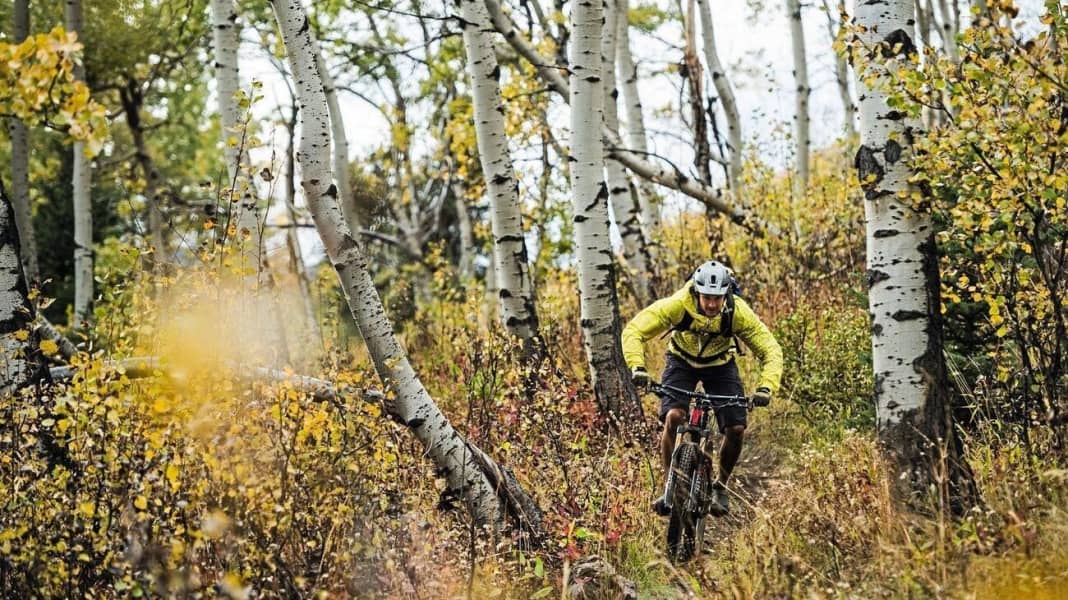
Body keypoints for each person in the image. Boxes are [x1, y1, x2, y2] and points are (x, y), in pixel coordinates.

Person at [621, 260, 783, 516]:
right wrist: (637, 367)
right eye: (707, 298)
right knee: (674, 416)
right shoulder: (678, 304)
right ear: (696, 293)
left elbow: (769, 349)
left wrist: (766, 387)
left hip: (721, 365)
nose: (711, 304)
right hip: (681, 361)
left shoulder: (737, 312)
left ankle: (720, 486)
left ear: (726, 296)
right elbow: (635, 330)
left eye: (717, 299)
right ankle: (668, 486)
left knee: (736, 428)